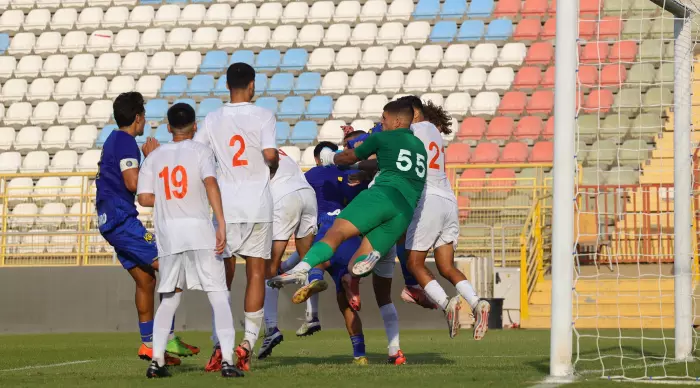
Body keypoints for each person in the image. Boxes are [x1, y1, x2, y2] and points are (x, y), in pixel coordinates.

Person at [270, 100, 427, 365]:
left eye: (385, 118)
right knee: (357, 263)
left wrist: (330, 157)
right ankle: (368, 259)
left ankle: (303, 268)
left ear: (397, 121)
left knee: (337, 233)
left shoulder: (385, 138)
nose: (382, 122)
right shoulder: (419, 147)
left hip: (383, 194)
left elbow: (347, 158)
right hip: (404, 211)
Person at [137, 103, 243, 378]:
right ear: (195, 126)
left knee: (169, 298)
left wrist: (170, 198)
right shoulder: (201, 151)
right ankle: (228, 361)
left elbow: (144, 198)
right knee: (218, 295)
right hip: (198, 229)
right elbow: (210, 184)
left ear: (169, 127)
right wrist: (220, 222)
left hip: (169, 233)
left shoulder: (154, 157)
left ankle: (156, 360)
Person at [95, 92, 197, 367]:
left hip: (111, 219)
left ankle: (149, 345)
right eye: (143, 116)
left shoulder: (114, 140)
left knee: (146, 280)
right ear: (137, 118)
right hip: (121, 219)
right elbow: (132, 183)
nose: (145, 122)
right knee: (168, 266)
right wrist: (152, 160)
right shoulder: (126, 142)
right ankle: (169, 336)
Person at [194, 63, 278, 372]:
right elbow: (270, 155)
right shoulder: (264, 115)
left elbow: (197, 151)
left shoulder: (213, 118)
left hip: (225, 209)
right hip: (257, 204)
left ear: (227, 86)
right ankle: (246, 345)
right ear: (252, 85)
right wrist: (273, 162)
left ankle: (220, 345)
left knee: (221, 280)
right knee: (256, 272)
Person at [396, 96, 491, 339]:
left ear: (415, 113)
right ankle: (478, 302)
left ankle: (447, 304)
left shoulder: (416, 128)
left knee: (414, 263)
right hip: (449, 200)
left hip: (428, 200)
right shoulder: (436, 135)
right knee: (447, 266)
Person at [258, 149, 318, 360]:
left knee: (269, 267)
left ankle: (271, 328)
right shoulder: (280, 150)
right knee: (308, 258)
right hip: (308, 194)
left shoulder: (256, 151)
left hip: (284, 196)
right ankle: (312, 315)